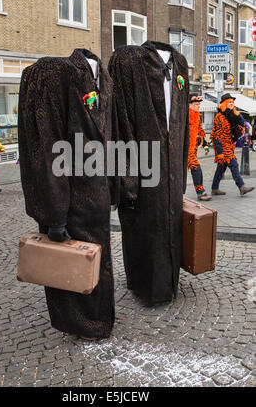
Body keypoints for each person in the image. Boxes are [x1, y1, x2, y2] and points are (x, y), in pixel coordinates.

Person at [18, 49, 116, 340]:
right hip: (69, 200)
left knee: (97, 260)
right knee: (69, 264)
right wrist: (53, 214)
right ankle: (82, 323)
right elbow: (45, 154)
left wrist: (114, 187)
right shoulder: (54, 76)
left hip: (95, 197)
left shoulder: (102, 80)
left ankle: (99, 317)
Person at [108, 41, 189, 305]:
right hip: (143, 170)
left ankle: (166, 284)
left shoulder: (179, 63)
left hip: (170, 170)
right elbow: (120, 127)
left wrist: (180, 173)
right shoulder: (129, 61)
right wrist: (126, 178)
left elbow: (183, 123)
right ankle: (147, 287)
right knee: (144, 228)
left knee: (169, 227)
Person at [210, 93, 255, 196]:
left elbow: (242, 124)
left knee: (221, 167)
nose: (232, 103)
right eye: (230, 102)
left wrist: (237, 113)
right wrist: (220, 151)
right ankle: (241, 186)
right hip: (223, 146)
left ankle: (214, 188)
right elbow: (215, 135)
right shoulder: (219, 117)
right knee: (233, 163)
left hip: (230, 145)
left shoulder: (232, 115)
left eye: (233, 102)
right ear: (224, 104)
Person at [188, 94, 212, 201]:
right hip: (185, 149)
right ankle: (200, 192)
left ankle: (200, 191)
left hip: (193, 149)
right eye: (196, 104)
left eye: (199, 104)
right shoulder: (184, 116)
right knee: (196, 168)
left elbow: (200, 132)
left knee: (195, 169)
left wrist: (206, 145)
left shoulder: (197, 116)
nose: (198, 106)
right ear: (189, 105)